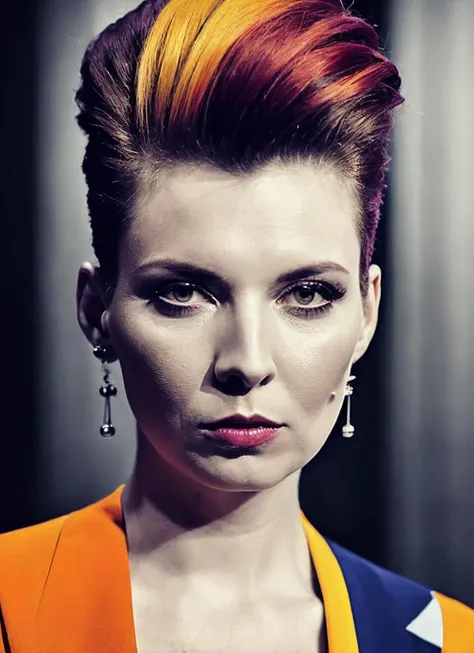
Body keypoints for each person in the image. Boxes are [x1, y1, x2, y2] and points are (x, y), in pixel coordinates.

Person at [1, 0, 473, 650]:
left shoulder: (444, 638)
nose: (246, 361)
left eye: (307, 292)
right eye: (184, 291)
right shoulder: (10, 604)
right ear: (96, 310)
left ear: (367, 312)